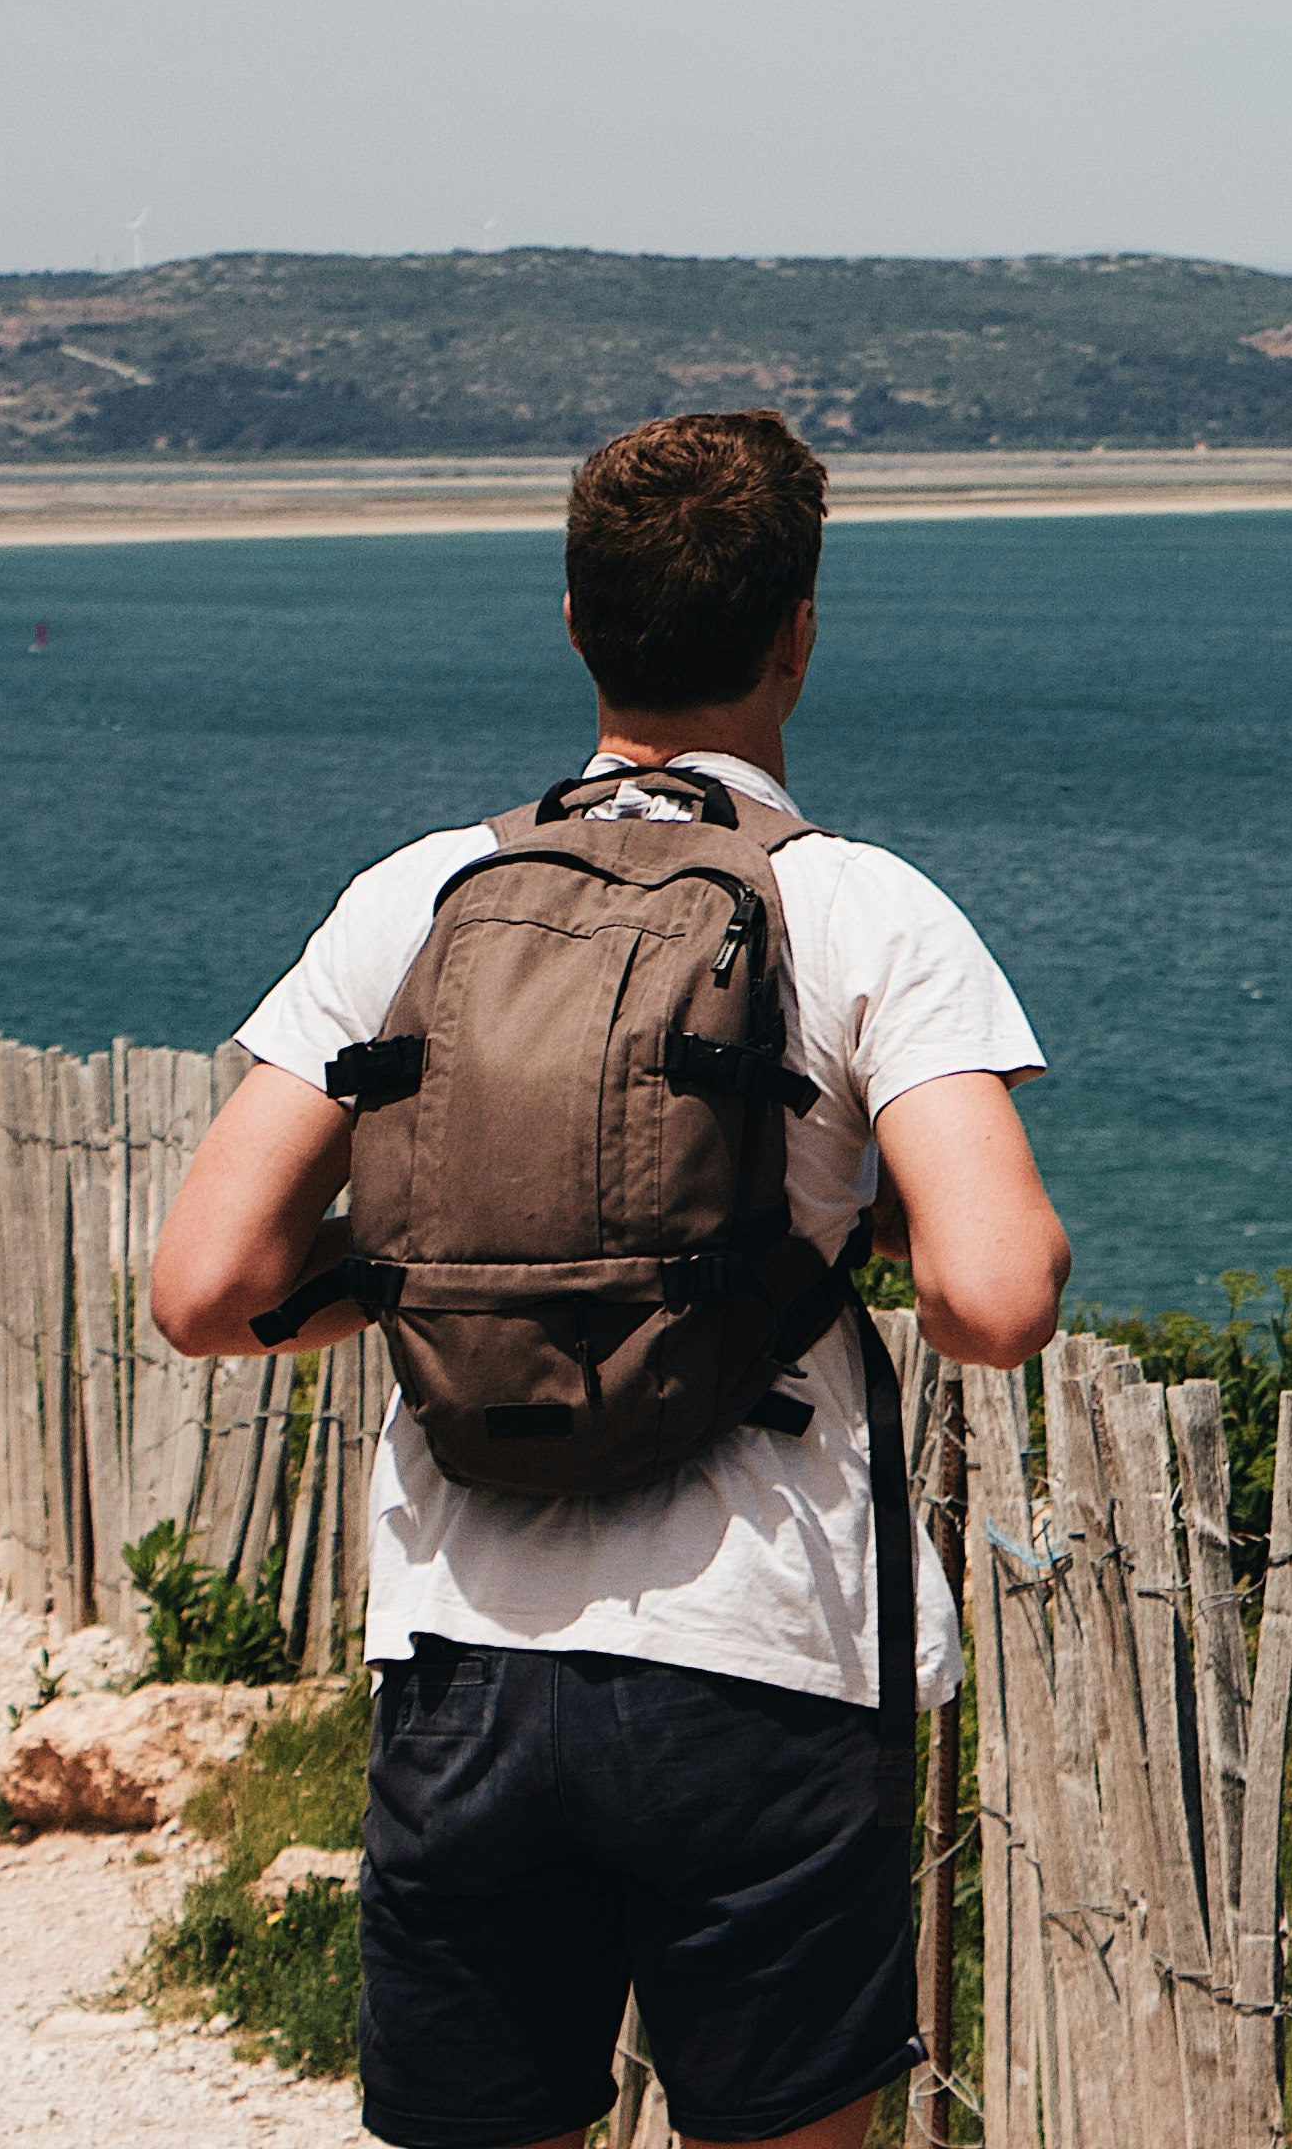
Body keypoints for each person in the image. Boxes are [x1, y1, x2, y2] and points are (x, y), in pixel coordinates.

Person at [149, 408, 1073, 2149]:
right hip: (767, 1654)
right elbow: (1000, 1294)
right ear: (800, 632)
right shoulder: (865, 913)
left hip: (464, 1646)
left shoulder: (419, 898)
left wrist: (416, 1274)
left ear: (576, 623)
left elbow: (207, 1290)